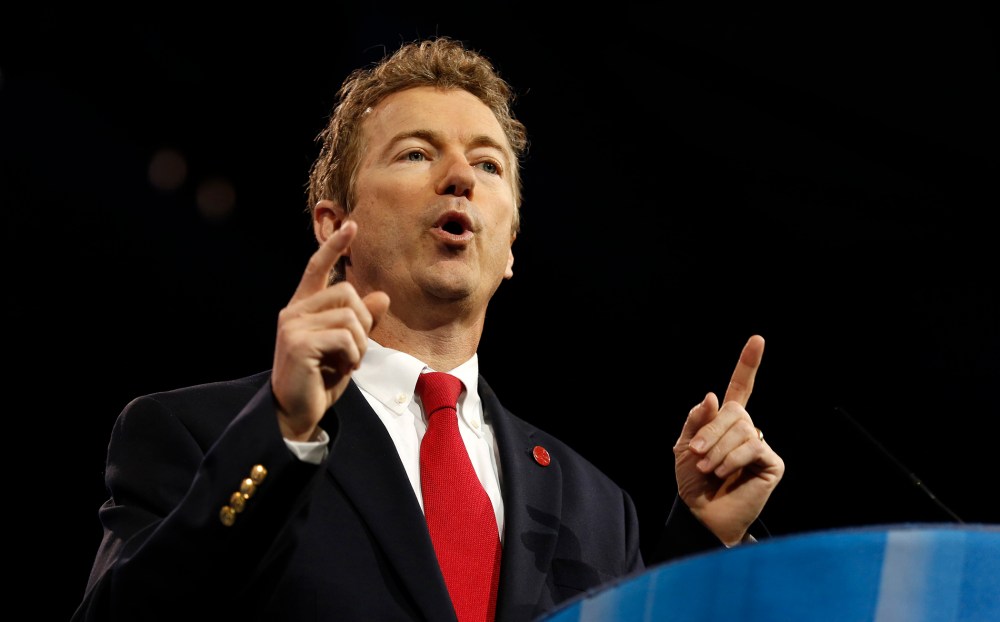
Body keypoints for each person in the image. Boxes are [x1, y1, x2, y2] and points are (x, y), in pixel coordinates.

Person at [71, 36, 785, 622]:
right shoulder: (195, 434)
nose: (460, 178)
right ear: (334, 226)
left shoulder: (596, 506)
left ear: (510, 248)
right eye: (416, 153)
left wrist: (702, 537)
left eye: (487, 164)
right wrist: (283, 434)